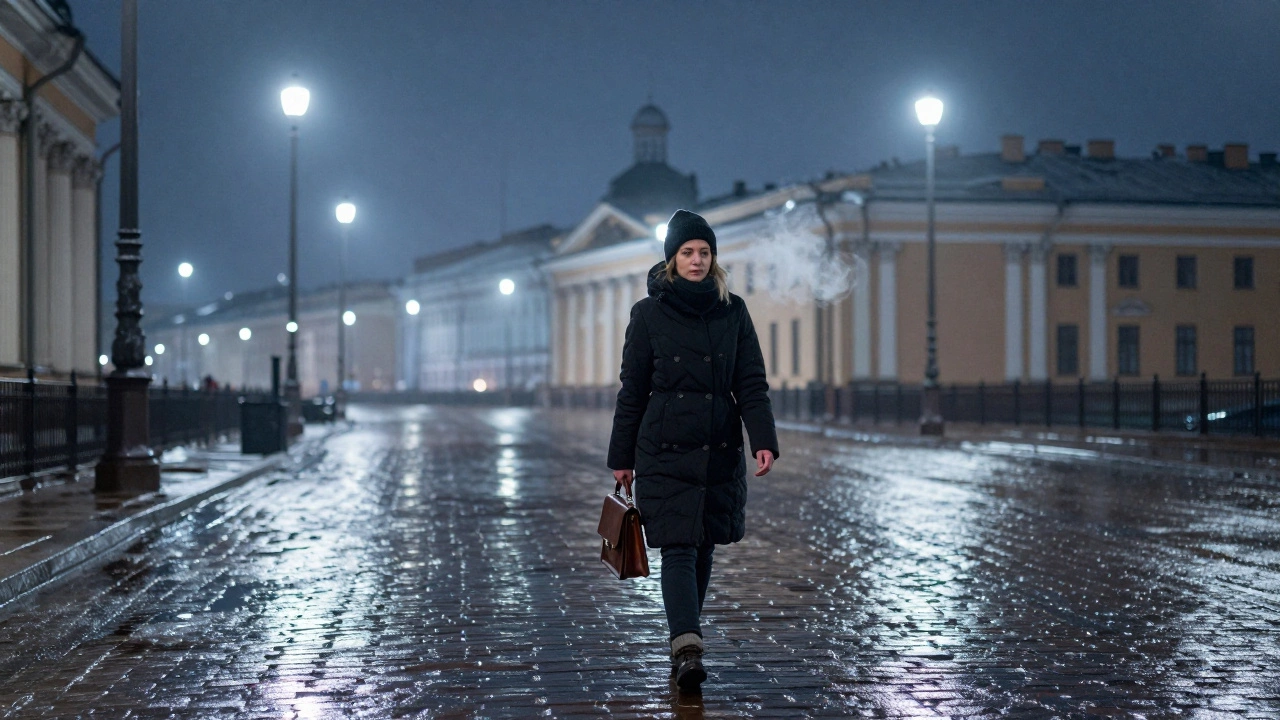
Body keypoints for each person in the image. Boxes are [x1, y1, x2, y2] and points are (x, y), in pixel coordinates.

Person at [607, 208, 779, 693]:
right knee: (679, 547)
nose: (697, 260)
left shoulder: (733, 310)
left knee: (703, 546)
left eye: (704, 252)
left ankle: (687, 639)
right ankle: (687, 648)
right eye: (687, 252)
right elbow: (632, 391)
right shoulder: (648, 315)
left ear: (714, 258)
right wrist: (622, 459)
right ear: (672, 259)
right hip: (662, 448)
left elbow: (751, 382)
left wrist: (762, 439)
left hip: (717, 446)